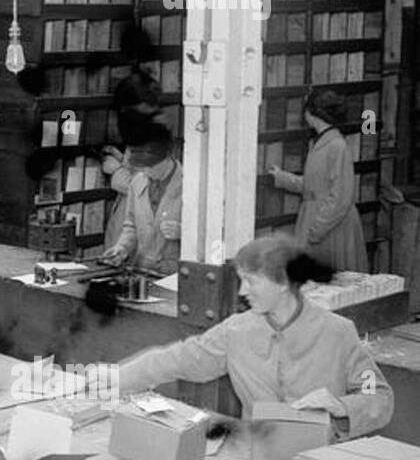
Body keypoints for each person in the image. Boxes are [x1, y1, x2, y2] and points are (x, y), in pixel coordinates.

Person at [116, 236, 393, 438]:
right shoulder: (237, 330)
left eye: (251, 281)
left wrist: (342, 405)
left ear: (284, 283)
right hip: (258, 456)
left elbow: (376, 394)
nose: (241, 292)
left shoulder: (339, 332)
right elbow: (181, 358)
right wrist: (115, 378)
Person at [269, 89, 368, 272]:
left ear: (310, 113)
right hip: (321, 219)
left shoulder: (336, 145)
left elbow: (340, 197)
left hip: (330, 225)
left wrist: (316, 230)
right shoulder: (323, 142)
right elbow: (313, 186)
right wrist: (281, 178)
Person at [100, 124, 182, 273]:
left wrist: (184, 233)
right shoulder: (137, 182)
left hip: (174, 275)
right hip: (142, 270)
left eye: (151, 165)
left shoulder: (191, 185)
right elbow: (131, 225)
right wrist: (122, 247)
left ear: (168, 155)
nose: (145, 171)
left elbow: (211, 239)